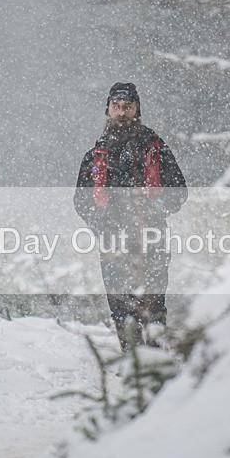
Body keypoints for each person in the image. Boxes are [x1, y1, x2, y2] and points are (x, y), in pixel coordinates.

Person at [74, 82, 188, 351]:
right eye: (116, 107)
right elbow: (82, 200)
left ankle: (157, 364)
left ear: (137, 110)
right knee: (121, 306)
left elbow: (179, 190)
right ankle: (133, 362)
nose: (121, 112)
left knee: (154, 304)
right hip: (112, 240)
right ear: (108, 110)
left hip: (152, 237)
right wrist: (102, 226)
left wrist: (154, 211)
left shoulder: (155, 148)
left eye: (127, 107)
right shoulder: (95, 155)